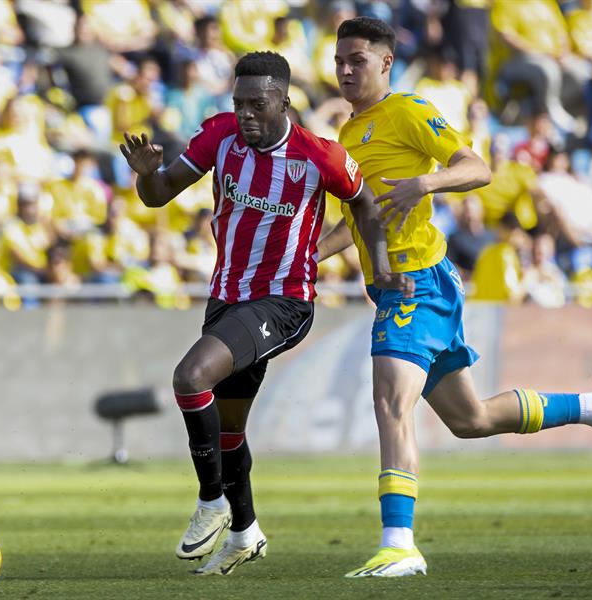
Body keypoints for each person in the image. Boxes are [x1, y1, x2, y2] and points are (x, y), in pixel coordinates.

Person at [332, 17, 592, 579]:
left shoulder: (408, 111)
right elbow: (358, 221)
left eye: (357, 60)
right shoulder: (350, 135)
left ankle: (399, 544)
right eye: (339, 61)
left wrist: (425, 183)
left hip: (415, 284)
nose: (346, 70)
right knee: (470, 419)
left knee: (390, 403)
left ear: (385, 63)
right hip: (403, 285)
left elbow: (477, 167)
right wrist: (305, 259)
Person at [119, 51, 407, 576]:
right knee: (228, 429)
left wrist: (381, 267)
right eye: (239, 103)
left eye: (258, 103)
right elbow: (158, 195)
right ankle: (246, 532)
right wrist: (147, 175)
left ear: (284, 100)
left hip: (284, 300)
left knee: (190, 376)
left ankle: (212, 503)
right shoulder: (219, 135)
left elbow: (364, 203)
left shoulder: (320, 156)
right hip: (227, 296)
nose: (247, 114)